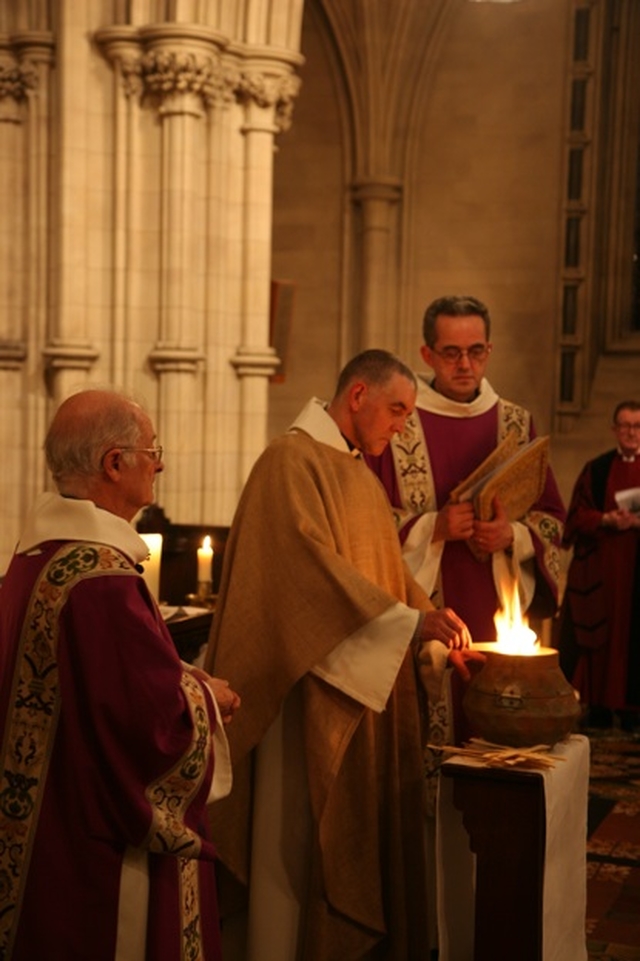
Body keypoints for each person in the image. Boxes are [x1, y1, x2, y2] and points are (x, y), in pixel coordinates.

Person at [204, 349, 478, 961]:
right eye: (397, 410)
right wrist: (410, 623)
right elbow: (306, 580)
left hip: (363, 689)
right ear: (358, 395)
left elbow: (384, 579)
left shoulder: (357, 472)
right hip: (303, 696)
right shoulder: (289, 460)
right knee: (297, 851)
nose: (401, 427)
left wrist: (428, 626)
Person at [0, 388, 240, 961]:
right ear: (115, 462)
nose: (159, 463)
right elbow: (149, 727)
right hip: (96, 855)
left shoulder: (37, 556)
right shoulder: (102, 577)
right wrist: (209, 697)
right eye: (151, 450)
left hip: (43, 825)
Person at [366, 295, 566, 645]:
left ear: (488, 350)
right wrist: (433, 527)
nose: (464, 364)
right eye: (451, 353)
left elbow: (552, 520)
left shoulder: (515, 424)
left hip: (497, 603)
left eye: (476, 352)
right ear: (427, 355)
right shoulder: (398, 422)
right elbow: (364, 519)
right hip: (421, 609)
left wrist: (512, 536)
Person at [556, 400, 640, 731]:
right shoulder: (597, 469)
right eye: (625, 425)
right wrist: (607, 518)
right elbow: (575, 517)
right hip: (604, 574)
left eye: (637, 426)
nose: (631, 432)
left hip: (636, 574)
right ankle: (601, 705)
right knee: (603, 639)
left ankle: (633, 709)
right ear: (614, 430)